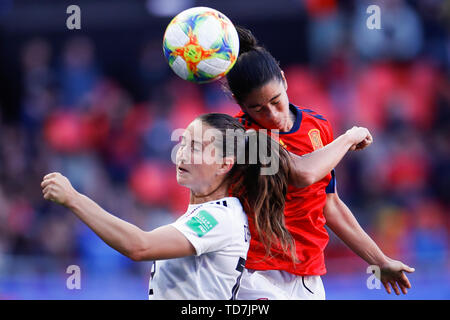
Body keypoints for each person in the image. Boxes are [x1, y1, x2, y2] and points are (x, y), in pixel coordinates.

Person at [225, 27, 415, 299]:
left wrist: (380, 260)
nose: (271, 114)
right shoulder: (242, 135)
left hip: (308, 276)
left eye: (275, 101)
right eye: (257, 108)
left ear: (284, 80)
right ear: (240, 105)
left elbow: (329, 204)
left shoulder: (317, 126)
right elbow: (302, 173)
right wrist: (349, 137)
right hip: (255, 274)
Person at [40, 113, 296, 299]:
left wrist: (74, 198)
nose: (181, 154)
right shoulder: (215, 213)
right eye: (183, 143)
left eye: (195, 147)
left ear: (224, 165)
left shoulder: (217, 217)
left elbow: (139, 246)